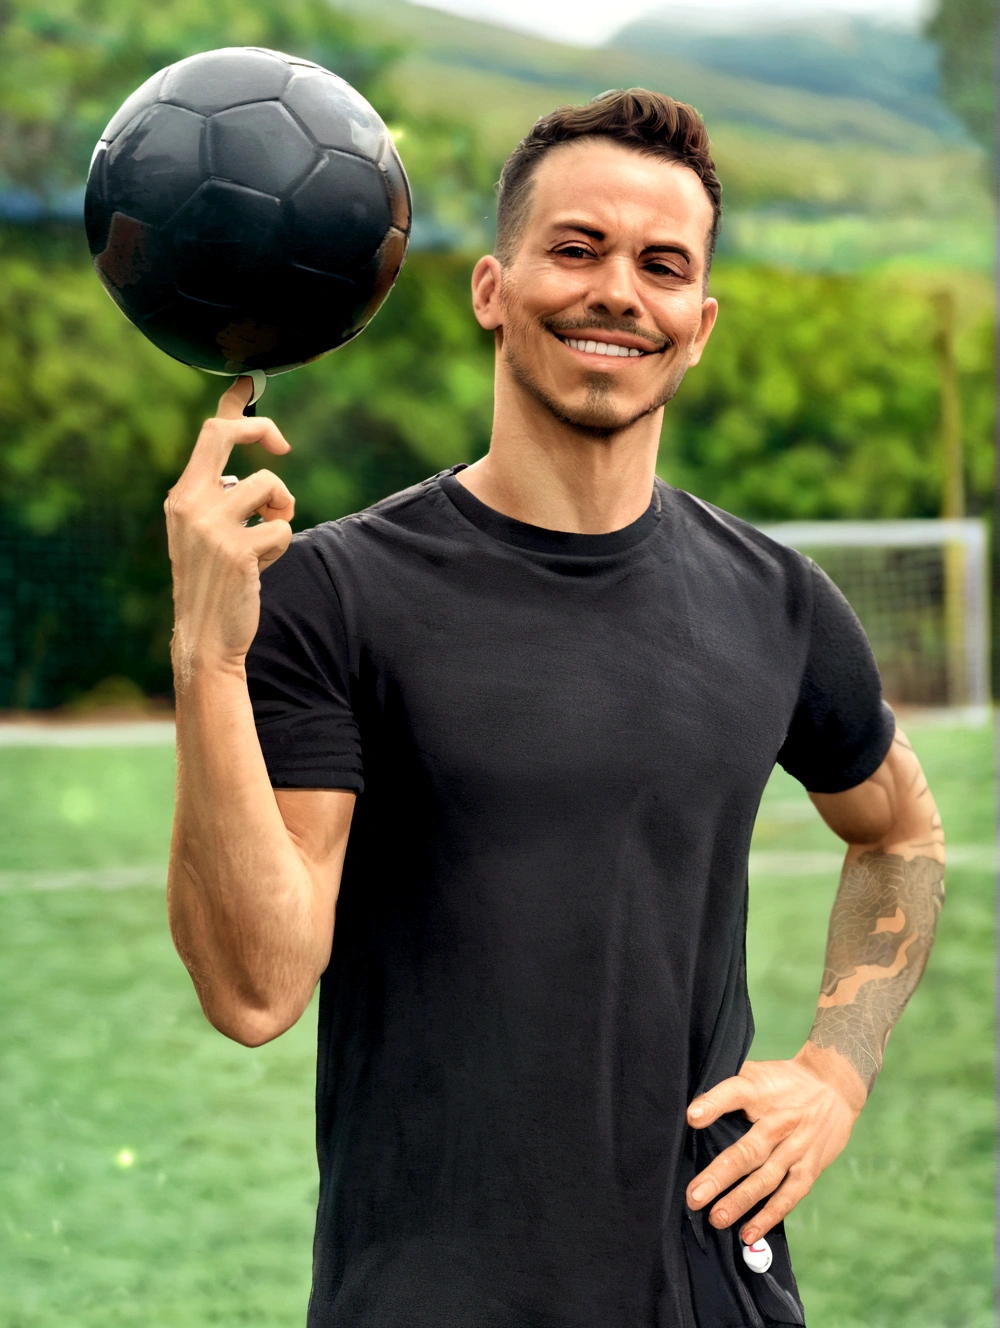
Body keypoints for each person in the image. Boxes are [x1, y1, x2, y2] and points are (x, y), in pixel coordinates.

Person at [164, 90, 945, 1328]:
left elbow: (901, 832)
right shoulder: (335, 595)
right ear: (492, 286)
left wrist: (835, 1069)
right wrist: (206, 653)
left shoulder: (777, 602)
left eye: (661, 265)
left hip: (709, 1293)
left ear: (698, 322)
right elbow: (254, 989)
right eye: (575, 248)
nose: (616, 291)